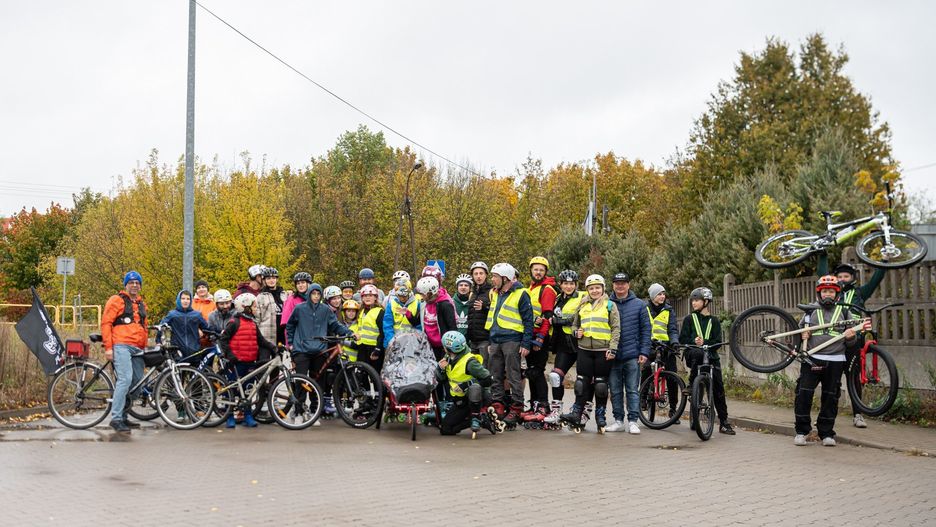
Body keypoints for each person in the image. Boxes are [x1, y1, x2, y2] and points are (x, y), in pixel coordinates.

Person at [793, 276, 869, 446]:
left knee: (831, 396)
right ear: (819, 293)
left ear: (837, 294)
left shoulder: (844, 312)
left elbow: (852, 343)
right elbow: (797, 336)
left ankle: (827, 433)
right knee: (803, 394)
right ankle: (802, 431)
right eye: (825, 291)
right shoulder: (809, 311)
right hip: (812, 359)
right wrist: (802, 335)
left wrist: (851, 337)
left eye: (832, 292)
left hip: (836, 360)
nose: (828, 295)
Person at [818, 256, 886, 429]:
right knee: (832, 380)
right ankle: (827, 416)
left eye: (846, 277)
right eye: (839, 276)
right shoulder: (832, 293)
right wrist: (823, 255)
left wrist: (883, 262)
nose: (842, 279)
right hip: (834, 340)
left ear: (853, 278)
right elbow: (821, 274)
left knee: (853, 378)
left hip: (853, 339)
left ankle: (858, 415)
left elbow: (876, 279)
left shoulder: (860, 293)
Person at [285, 283, 356, 422]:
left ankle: (313, 411)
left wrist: (349, 332)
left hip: (319, 350)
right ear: (309, 294)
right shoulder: (300, 309)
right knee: (300, 381)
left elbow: (335, 325)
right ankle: (299, 411)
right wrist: (292, 344)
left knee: (317, 383)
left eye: (318, 294)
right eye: (313, 294)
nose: (316, 297)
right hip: (302, 350)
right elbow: (290, 325)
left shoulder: (325, 310)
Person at [560, 274, 620, 432]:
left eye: (597, 288)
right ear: (587, 290)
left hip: (603, 351)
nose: (594, 291)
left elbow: (615, 329)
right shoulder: (582, 305)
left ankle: (600, 416)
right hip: (584, 350)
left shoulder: (609, 305)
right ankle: (576, 413)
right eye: (591, 288)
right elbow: (574, 326)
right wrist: (576, 333)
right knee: (581, 383)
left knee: (600, 385)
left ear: (603, 289)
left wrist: (613, 349)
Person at [678, 286, 735, 435]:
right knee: (697, 354)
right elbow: (682, 339)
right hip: (693, 354)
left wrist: (705, 342)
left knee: (719, 390)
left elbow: (717, 341)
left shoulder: (714, 321)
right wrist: (694, 340)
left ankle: (724, 422)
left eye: (697, 300)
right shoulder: (689, 319)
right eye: (693, 300)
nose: (693, 303)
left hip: (711, 357)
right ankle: (692, 384)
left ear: (706, 302)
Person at [217, 293, 277, 428]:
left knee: (248, 390)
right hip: (235, 362)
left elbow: (261, 341)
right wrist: (229, 355)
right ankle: (229, 416)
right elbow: (223, 340)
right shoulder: (234, 322)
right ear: (245, 307)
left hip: (250, 362)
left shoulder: (253, 323)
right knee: (232, 389)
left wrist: (273, 348)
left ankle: (248, 415)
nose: (256, 308)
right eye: (254, 306)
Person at [484, 263, 534, 426]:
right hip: (496, 339)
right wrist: (491, 340)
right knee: (495, 374)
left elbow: (528, 321)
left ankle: (516, 407)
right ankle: (498, 404)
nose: (493, 280)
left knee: (513, 376)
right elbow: (493, 317)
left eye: (495, 277)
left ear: (505, 278)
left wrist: (526, 343)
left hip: (512, 339)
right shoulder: (496, 293)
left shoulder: (521, 294)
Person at [101, 271, 149, 433]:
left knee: (137, 383)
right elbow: (106, 323)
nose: (134, 285)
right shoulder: (116, 300)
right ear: (126, 285)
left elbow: (145, 327)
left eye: (137, 283)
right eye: (131, 282)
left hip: (138, 348)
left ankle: (124, 415)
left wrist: (145, 346)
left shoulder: (142, 304)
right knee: (125, 379)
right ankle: (116, 418)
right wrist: (108, 347)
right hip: (121, 345)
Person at [607, 272, 651, 434]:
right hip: (612, 355)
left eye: (623, 283)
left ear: (628, 285)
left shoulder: (639, 304)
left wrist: (644, 352)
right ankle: (618, 421)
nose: (620, 286)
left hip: (632, 355)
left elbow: (646, 330)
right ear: (613, 285)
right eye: (617, 283)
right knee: (615, 390)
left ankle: (633, 421)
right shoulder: (607, 303)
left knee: (632, 390)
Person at [544, 269, 587, 424]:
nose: (569, 287)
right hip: (563, 345)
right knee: (555, 377)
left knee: (583, 381)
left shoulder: (583, 296)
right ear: (560, 285)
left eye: (572, 284)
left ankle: (580, 412)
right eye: (566, 284)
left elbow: (579, 317)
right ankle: (556, 411)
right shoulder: (557, 299)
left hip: (580, 344)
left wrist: (558, 321)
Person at [436, 331, 496, 437]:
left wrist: (465, 385)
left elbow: (488, 379)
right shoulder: (448, 357)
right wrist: (441, 369)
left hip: (475, 398)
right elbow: (440, 380)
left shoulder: (470, 362)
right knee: (446, 429)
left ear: (449, 348)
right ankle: (482, 420)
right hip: (460, 400)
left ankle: (476, 417)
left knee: (474, 387)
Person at [524, 256, 558, 422]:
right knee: (531, 372)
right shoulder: (531, 288)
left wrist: (540, 338)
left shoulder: (547, 289)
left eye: (541, 270)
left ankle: (544, 406)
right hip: (530, 334)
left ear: (545, 272)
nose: (538, 272)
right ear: (531, 270)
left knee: (537, 371)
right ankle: (534, 405)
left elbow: (547, 316)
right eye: (535, 269)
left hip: (540, 336)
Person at [643, 283, 681, 423]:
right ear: (653, 296)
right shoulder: (645, 309)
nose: (662, 296)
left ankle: (673, 409)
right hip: (650, 346)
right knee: (647, 369)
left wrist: (674, 343)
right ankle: (643, 398)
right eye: (659, 294)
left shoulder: (669, 310)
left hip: (666, 347)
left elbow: (672, 329)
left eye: (664, 294)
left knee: (672, 377)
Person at [159, 289, 212, 363]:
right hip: (178, 351)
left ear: (191, 301)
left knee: (195, 373)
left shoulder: (196, 315)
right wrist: (158, 341)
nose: (185, 301)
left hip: (194, 351)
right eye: (183, 298)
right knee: (179, 373)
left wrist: (216, 334)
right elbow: (161, 327)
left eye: (188, 299)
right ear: (179, 300)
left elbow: (207, 328)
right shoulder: (172, 315)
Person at [466, 261, 492, 364]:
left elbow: (497, 311)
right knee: (473, 371)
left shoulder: (491, 291)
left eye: (481, 273)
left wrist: (485, 307)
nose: (478, 276)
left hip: (485, 339)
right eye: (476, 274)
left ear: (486, 275)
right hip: (473, 339)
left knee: (485, 370)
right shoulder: (472, 293)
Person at [356, 284, 387, 372]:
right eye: (365, 296)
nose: (367, 298)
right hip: (362, 348)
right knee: (362, 376)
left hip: (374, 348)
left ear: (375, 297)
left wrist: (378, 349)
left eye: (370, 295)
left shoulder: (380, 312)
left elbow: (382, 333)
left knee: (376, 376)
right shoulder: (361, 311)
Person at [382, 280, 420, 348]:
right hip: (394, 342)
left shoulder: (417, 304)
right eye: (400, 295)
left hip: (411, 343)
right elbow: (387, 324)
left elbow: (419, 325)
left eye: (404, 296)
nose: (402, 298)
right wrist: (391, 340)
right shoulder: (391, 305)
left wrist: (415, 340)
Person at [255, 267, 287, 346]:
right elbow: (257, 318)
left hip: (283, 334)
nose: (271, 280)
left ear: (277, 279)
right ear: (264, 280)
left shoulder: (284, 295)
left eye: (273, 278)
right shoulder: (260, 296)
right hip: (267, 335)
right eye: (268, 278)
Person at [280, 272, 312, 345]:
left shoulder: (313, 299)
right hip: (297, 339)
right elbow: (286, 323)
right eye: (298, 283)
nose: (300, 285)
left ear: (309, 284)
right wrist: (290, 343)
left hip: (312, 339)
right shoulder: (291, 300)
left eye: (303, 282)